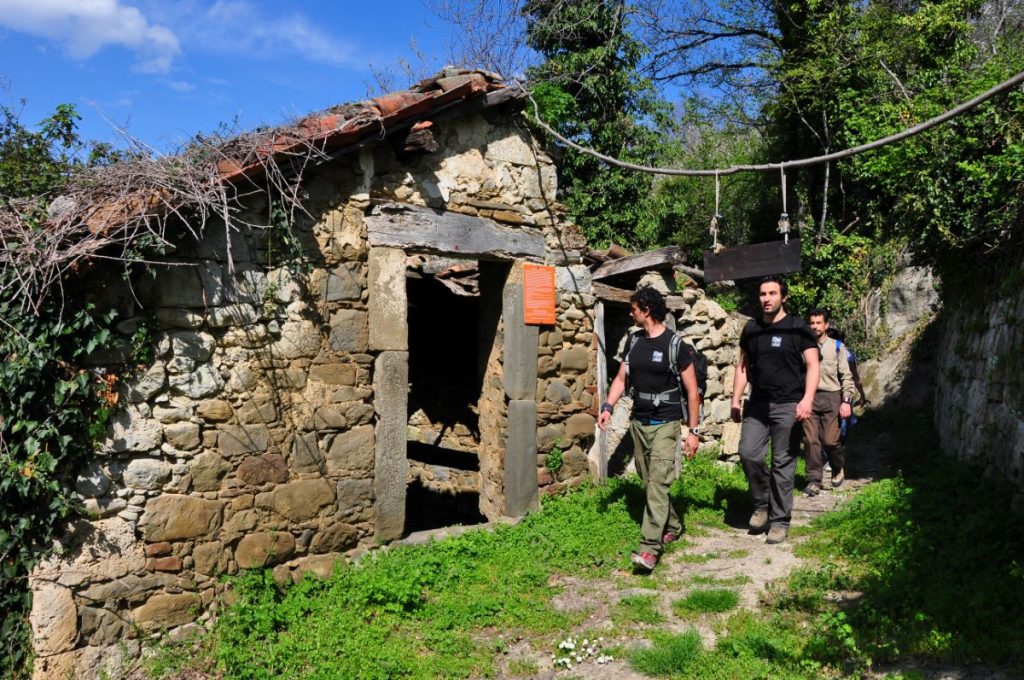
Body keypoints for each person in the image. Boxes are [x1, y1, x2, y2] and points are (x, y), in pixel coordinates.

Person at [598, 286, 701, 573]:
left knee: (657, 484)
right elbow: (621, 379)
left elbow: (692, 391)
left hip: (666, 424)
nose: (630, 314)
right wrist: (607, 406)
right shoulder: (634, 341)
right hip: (639, 423)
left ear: (646, 310)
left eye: (633, 309)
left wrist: (693, 432)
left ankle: (649, 549)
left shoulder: (675, 345)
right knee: (649, 481)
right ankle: (673, 524)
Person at [730, 275, 819, 544]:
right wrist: (735, 399)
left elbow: (813, 365)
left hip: (788, 404)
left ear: (784, 297)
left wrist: (807, 399)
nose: (766, 299)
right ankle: (762, 503)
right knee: (748, 453)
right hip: (757, 403)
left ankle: (780, 520)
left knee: (783, 463)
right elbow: (742, 366)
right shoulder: (752, 328)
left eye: (772, 293)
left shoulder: (798, 327)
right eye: (762, 294)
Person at [802, 309, 855, 495]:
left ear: (826, 325)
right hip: (809, 397)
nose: (815, 326)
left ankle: (837, 466)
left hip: (832, 397)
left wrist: (846, 401)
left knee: (830, 440)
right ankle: (813, 480)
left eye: (818, 323)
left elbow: (846, 376)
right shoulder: (802, 346)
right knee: (810, 440)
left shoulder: (837, 347)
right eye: (812, 323)